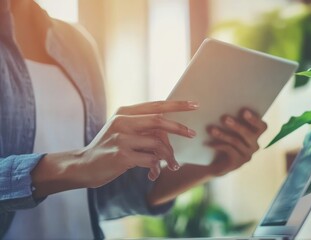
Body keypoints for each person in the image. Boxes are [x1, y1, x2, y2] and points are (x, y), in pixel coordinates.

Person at [0, 0, 267, 239]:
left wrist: (208, 164)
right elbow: (82, 168)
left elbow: (98, 193)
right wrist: (79, 162)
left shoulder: (76, 44)